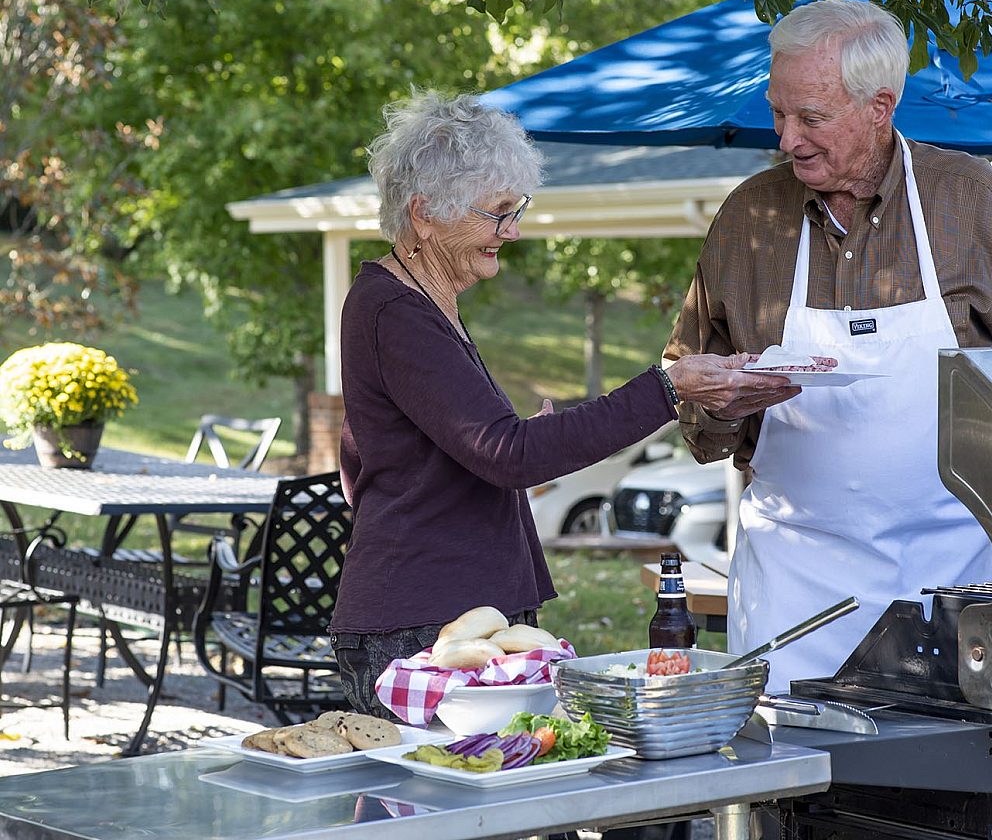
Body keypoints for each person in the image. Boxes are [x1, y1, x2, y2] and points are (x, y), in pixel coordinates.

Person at [328, 90, 794, 716]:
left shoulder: (423, 302)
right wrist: (668, 387)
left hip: (458, 607)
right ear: (424, 214)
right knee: (448, 808)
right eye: (496, 213)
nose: (511, 231)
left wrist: (511, 446)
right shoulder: (393, 309)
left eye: (513, 210)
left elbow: (392, 454)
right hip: (422, 623)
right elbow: (507, 457)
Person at [664, 0, 992, 691]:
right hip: (795, 594)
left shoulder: (971, 203)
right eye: (778, 113)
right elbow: (690, 399)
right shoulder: (749, 219)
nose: (786, 139)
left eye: (810, 118)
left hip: (959, 589)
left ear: (880, 107)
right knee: (792, 793)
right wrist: (722, 401)